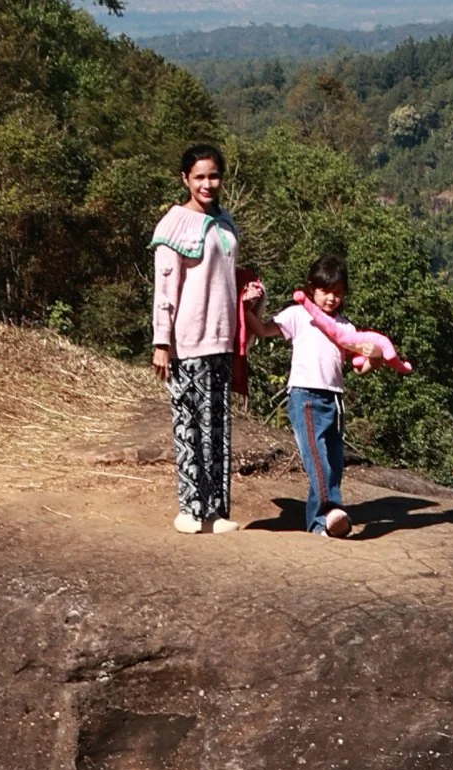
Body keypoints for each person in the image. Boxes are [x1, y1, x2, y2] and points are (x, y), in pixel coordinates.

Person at [150, 143, 260, 535]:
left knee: (218, 428)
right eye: (199, 176)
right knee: (189, 424)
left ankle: (215, 511)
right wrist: (161, 342)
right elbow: (166, 288)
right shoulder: (174, 225)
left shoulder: (226, 222)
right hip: (188, 340)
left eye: (213, 175)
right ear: (185, 179)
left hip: (221, 340)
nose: (207, 183)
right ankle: (189, 508)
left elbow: (225, 278)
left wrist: (249, 298)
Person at [269, 252, 369, 538]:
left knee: (335, 463)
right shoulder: (298, 314)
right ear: (311, 288)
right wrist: (250, 309)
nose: (330, 298)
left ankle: (318, 525)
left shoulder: (346, 327)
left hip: (335, 399)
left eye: (337, 292)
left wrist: (369, 359)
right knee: (317, 459)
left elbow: (357, 359)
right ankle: (331, 510)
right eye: (325, 290)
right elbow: (265, 330)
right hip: (305, 397)